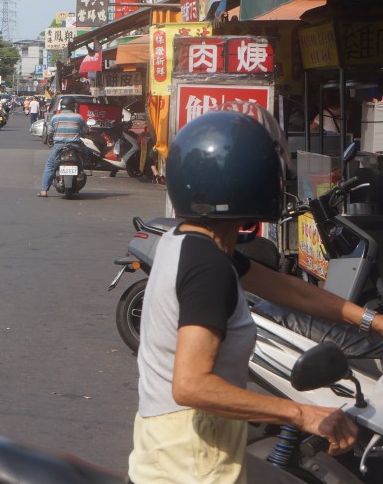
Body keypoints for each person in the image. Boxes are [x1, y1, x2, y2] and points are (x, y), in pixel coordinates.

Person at [129, 104, 369, 483]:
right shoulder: (208, 268)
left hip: (175, 448)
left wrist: (368, 319)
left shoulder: (190, 242)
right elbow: (191, 384)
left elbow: (289, 290)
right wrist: (303, 414)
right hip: (192, 464)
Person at [38, 99, 86, 197]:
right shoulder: (78, 117)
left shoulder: (55, 118)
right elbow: (85, 130)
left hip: (59, 146)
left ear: (61, 106)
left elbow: (50, 132)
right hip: (75, 145)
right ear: (73, 107)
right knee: (85, 156)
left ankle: (44, 191)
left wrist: (52, 137)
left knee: (50, 166)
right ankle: (80, 170)